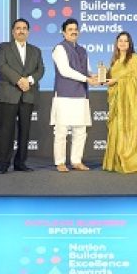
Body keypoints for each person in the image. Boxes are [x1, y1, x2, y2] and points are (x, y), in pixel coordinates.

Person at [0, 18, 45, 174]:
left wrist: (28, 81)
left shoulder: (36, 51)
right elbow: (2, 66)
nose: (21, 30)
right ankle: (3, 164)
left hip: (28, 94)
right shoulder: (3, 47)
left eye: (24, 28)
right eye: (18, 28)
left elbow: (40, 70)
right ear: (13, 32)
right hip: (9, 93)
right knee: (6, 130)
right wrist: (19, 80)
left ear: (28, 32)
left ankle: (20, 162)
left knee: (25, 130)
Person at [50, 18, 99, 172]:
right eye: (70, 29)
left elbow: (87, 71)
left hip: (81, 94)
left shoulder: (83, 50)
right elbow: (65, 70)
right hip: (64, 95)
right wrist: (87, 79)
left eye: (75, 29)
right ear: (63, 32)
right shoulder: (59, 48)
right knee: (61, 131)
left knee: (80, 130)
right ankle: (60, 162)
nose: (73, 32)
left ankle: (76, 161)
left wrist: (96, 77)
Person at [102, 32, 137, 173]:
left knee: (129, 129)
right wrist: (101, 76)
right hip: (117, 103)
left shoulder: (135, 59)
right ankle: (116, 161)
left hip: (131, 104)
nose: (122, 43)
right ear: (116, 43)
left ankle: (131, 161)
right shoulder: (115, 61)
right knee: (117, 129)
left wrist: (117, 80)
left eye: (125, 41)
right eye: (120, 41)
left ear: (130, 44)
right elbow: (110, 78)